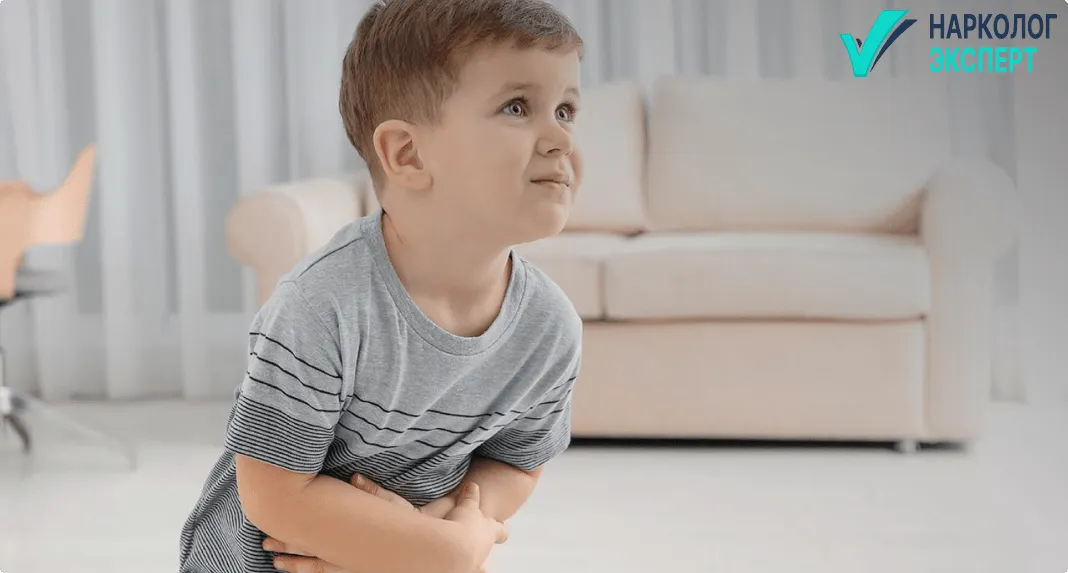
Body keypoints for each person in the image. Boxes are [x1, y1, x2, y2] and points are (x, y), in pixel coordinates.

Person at [178, 0, 585, 572]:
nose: (561, 138)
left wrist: (442, 537)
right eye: (517, 107)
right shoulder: (323, 306)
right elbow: (273, 496)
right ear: (408, 154)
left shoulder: (550, 327)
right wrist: (437, 553)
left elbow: (517, 462)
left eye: (566, 110)